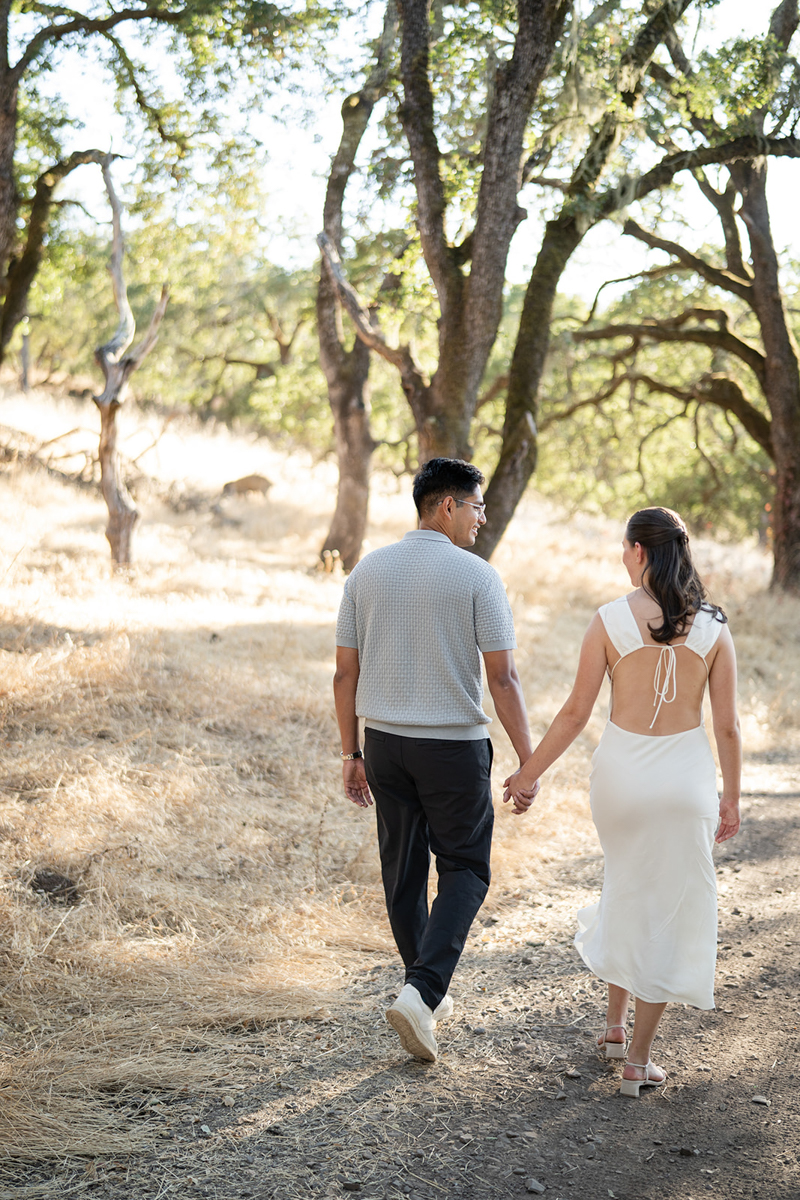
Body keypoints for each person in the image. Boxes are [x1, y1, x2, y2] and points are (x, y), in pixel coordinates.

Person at [504, 507, 741, 1096]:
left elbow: (575, 712)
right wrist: (731, 797)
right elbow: (729, 727)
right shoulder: (713, 626)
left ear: (638, 550)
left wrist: (527, 774)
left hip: (621, 775)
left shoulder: (608, 620)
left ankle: (614, 1027)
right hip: (684, 779)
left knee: (625, 883)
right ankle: (637, 1058)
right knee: (670, 907)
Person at [333, 458, 534, 1062]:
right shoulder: (477, 576)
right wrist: (530, 759)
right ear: (447, 505)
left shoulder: (365, 574)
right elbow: (504, 677)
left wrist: (352, 751)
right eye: (476, 506)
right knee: (467, 869)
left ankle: (424, 992)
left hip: (386, 745)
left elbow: (345, 672)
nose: (481, 518)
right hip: (451, 747)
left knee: (403, 871)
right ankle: (422, 992)